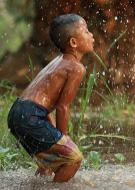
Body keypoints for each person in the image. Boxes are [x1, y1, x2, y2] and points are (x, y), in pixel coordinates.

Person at [7, 13, 94, 182]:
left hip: (17, 112)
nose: (91, 35)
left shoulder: (58, 61)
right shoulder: (76, 68)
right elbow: (62, 107)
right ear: (73, 43)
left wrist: (57, 140)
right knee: (73, 158)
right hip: (30, 115)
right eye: (86, 31)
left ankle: (41, 184)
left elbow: (44, 106)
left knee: (48, 161)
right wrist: (65, 139)